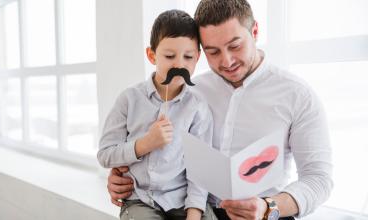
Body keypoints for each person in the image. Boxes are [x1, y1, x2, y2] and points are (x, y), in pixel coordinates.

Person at [106, 0, 333, 219]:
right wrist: (122, 176)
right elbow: (160, 151)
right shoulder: (189, 93)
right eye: (212, 52)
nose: (227, 61)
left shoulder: (298, 95)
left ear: (254, 32)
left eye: (235, 46)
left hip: (266, 214)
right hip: (198, 209)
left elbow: (319, 179)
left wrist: (268, 207)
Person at [97, 9, 217, 220]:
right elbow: (105, 154)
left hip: (184, 200)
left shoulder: (198, 108)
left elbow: (200, 171)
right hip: (140, 199)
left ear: (197, 57)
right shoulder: (129, 99)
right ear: (152, 55)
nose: (179, 64)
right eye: (169, 56)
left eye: (188, 57)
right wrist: (145, 144)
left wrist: (194, 213)